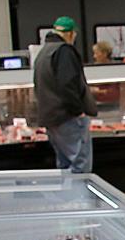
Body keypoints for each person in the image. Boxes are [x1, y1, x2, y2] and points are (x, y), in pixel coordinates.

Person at [33, 16, 98, 173]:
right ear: (70, 34)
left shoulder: (43, 53)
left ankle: (66, 197)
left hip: (51, 118)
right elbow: (67, 84)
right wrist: (78, 111)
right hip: (68, 117)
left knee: (64, 165)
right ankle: (79, 197)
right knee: (80, 166)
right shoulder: (64, 51)